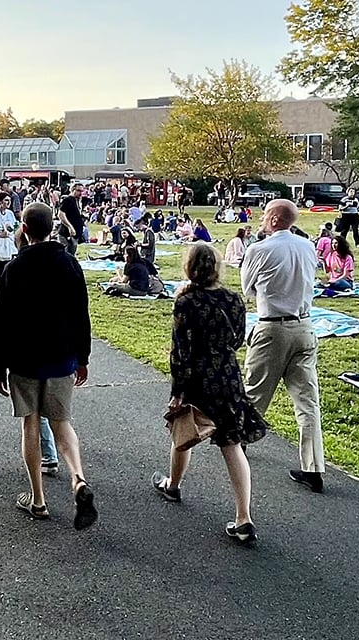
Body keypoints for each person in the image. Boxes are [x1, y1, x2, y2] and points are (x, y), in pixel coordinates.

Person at [152, 242, 267, 543]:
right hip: (227, 374)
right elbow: (239, 338)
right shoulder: (234, 300)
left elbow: (180, 350)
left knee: (183, 431)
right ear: (218, 267)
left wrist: (178, 390)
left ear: (189, 267)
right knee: (232, 444)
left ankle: (173, 485)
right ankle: (244, 518)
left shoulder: (185, 302)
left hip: (196, 377)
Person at [0, 202, 96, 528]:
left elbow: (3, 323)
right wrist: (83, 357)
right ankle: (77, 478)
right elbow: (82, 314)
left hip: (24, 360)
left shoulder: (13, 269)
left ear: (24, 227)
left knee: (31, 425)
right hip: (62, 356)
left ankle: (38, 499)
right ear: (52, 226)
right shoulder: (69, 265)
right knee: (62, 423)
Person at [242, 199, 326, 493]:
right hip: (304, 325)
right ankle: (313, 467)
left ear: (275, 219)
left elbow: (247, 288)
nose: (262, 219)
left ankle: (239, 445)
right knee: (307, 401)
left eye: (266, 214)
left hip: (272, 327)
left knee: (255, 392)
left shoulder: (258, 250)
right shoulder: (308, 246)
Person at [57, 184, 85, 255]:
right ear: (73, 190)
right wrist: (70, 227)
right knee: (66, 256)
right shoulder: (68, 200)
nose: (80, 193)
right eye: (78, 190)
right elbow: (61, 214)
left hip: (75, 234)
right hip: (66, 234)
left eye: (82, 191)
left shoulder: (78, 201)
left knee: (72, 255)